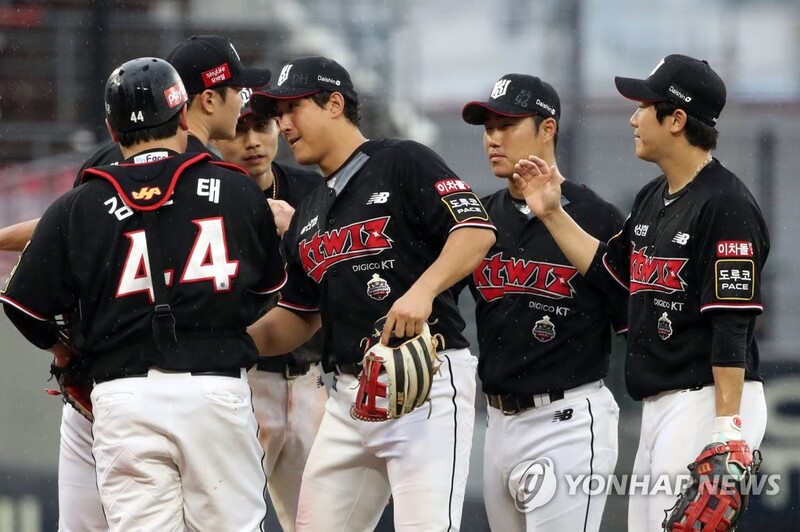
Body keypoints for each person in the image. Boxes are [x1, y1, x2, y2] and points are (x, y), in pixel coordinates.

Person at [0, 57, 286, 531]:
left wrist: (65, 351)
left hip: (122, 394)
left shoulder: (77, 205)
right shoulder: (237, 189)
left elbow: (22, 305)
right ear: (182, 119)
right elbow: (268, 289)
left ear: (112, 131)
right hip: (215, 387)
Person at [513, 54, 769, 531]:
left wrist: (726, 428)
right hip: (661, 401)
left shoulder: (726, 204)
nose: (632, 117)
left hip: (707, 398)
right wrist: (551, 213)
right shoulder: (655, 196)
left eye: (644, 106)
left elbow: (731, 324)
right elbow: (614, 275)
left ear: (676, 119)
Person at [246, 56, 497, 531]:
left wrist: (422, 291)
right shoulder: (310, 210)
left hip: (424, 385)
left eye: (292, 108)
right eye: (277, 112)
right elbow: (298, 316)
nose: (283, 123)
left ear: (335, 103)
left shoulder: (401, 161)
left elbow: (475, 230)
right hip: (347, 399)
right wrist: (231, 342)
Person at [457, 74, 626, 531]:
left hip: (567, 420)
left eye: (506, 124)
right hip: (496, 424)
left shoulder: (594, 216)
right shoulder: (478, 216)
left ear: (547, 129)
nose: (493, 137)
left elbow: (631, 315)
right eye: (487, 126)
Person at [212, 100, 327, 531]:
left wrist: (298, 230)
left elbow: (339, 273)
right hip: (244, 380)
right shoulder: (207, 194)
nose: (253, 141)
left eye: (261, 126)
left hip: (309, 380)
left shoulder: (308, 188)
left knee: (319, 523)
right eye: (239, 130)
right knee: (230, 521)